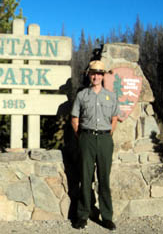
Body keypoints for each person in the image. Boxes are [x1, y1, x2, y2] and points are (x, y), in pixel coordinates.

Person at [70, 60, 120, 231]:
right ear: (88, 75)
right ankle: (82, 215)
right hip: (87, 138)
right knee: (85, 178)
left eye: (99, 73)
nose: (96, 76)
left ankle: (107, 217)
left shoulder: (111, 96)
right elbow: (75, 119)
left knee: (104, 179)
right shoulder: (82, 95)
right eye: (93, 73)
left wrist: (107, 135)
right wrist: (82, 137)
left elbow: (114, 119)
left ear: (103, 76)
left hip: (105, 140)